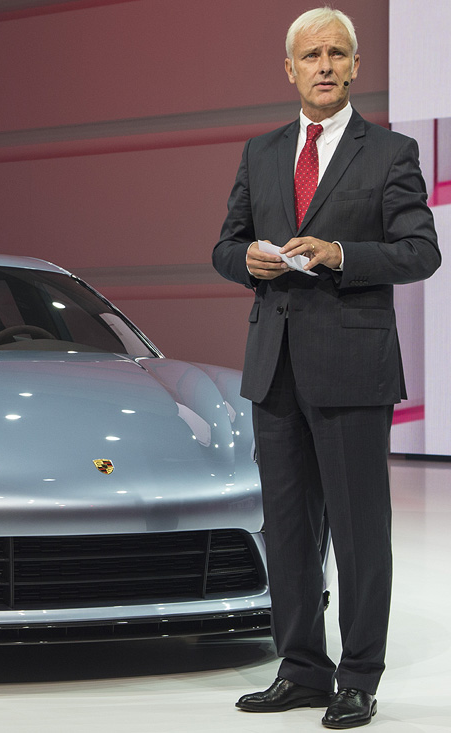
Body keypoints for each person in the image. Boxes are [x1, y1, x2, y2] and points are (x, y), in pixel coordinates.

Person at [212, 6, 440, 730]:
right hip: (273, 366)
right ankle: (303, 666)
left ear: (355, 65)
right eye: (310, 55)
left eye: (337, 53)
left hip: (353, 366)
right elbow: (225, 244)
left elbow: (420, 251)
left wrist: (344, 254)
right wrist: (243, 260)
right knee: (287, 529)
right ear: (290, 69)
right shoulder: (261, 151)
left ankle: (359, 675)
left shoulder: (390, 153)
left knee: (359, 530)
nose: (324, 66)